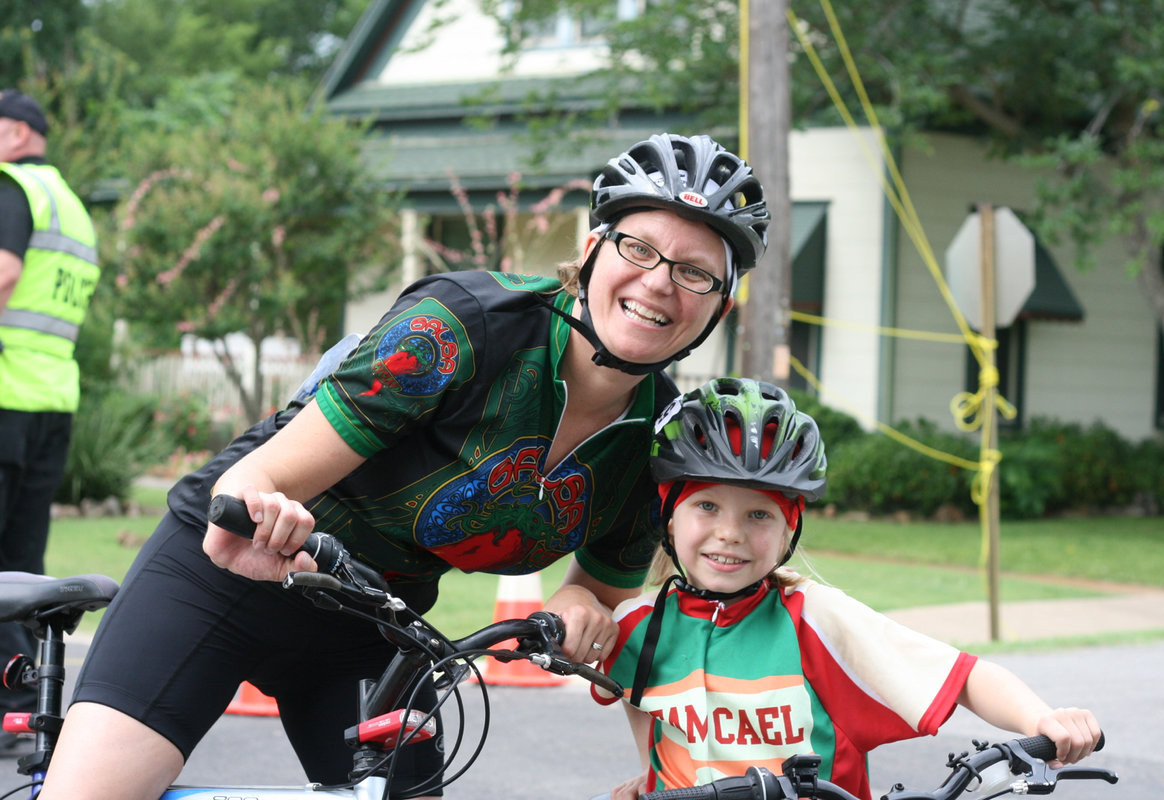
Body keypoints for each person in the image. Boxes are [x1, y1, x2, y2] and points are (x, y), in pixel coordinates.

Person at [37, 132, 771, 799]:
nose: (657, 283)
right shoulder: (460, 329)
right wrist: (263, 511)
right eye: (638, 249)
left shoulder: (655, 445)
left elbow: (599, 594)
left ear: (721, 308)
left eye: (695, 273)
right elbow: (254, 480)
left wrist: (582, 607)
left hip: (378, 633)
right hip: (224, 578)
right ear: (590, 252)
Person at [595, 378, 1103, 800]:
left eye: (758, 514)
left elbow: (963, 677)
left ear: (789, 530)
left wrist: (1042, 717)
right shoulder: (641, 624)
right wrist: (655, 772)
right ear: (668, 514)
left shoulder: (815, 620)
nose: (730, 532)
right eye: (707, 506)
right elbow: (637, 693)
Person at [0, 89, 99, 756]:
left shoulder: (10, 189)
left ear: (11, 134)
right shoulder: (75, 209)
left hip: (4, 386)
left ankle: (11, 706)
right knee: (22, 562)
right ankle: (25, 705)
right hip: (51, 396)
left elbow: (4, 271)